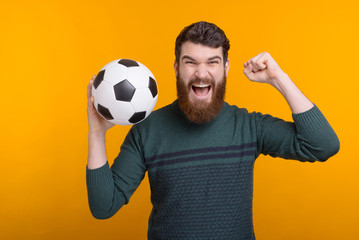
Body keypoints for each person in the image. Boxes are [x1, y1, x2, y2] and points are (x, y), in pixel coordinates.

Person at [86, 21, 340, 239]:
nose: (201, 73)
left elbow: (323, 145)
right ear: (176, 68)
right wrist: (97, 133)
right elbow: (103, 206)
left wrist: (278, 79)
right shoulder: (147, 130)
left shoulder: (248, 126)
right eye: (190, 62)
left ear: (225, 68)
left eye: (212, 62)